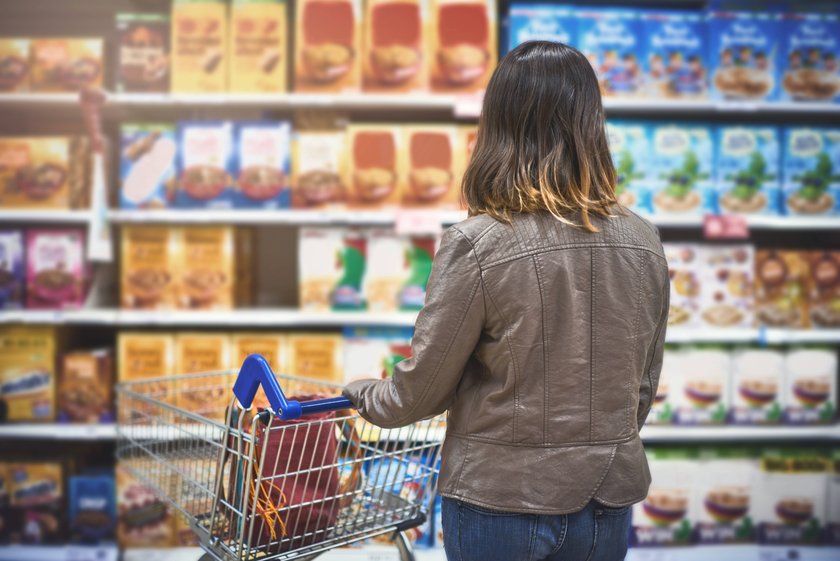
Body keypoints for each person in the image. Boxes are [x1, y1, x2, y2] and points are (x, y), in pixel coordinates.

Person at [343, 41, 670, 561]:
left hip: (499, 499)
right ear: (591, 122)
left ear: (496, 126)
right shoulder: (643, 239)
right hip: (607, 495)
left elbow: (419, 394)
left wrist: (360, 394)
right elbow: (641, 386)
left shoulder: (479, 242)